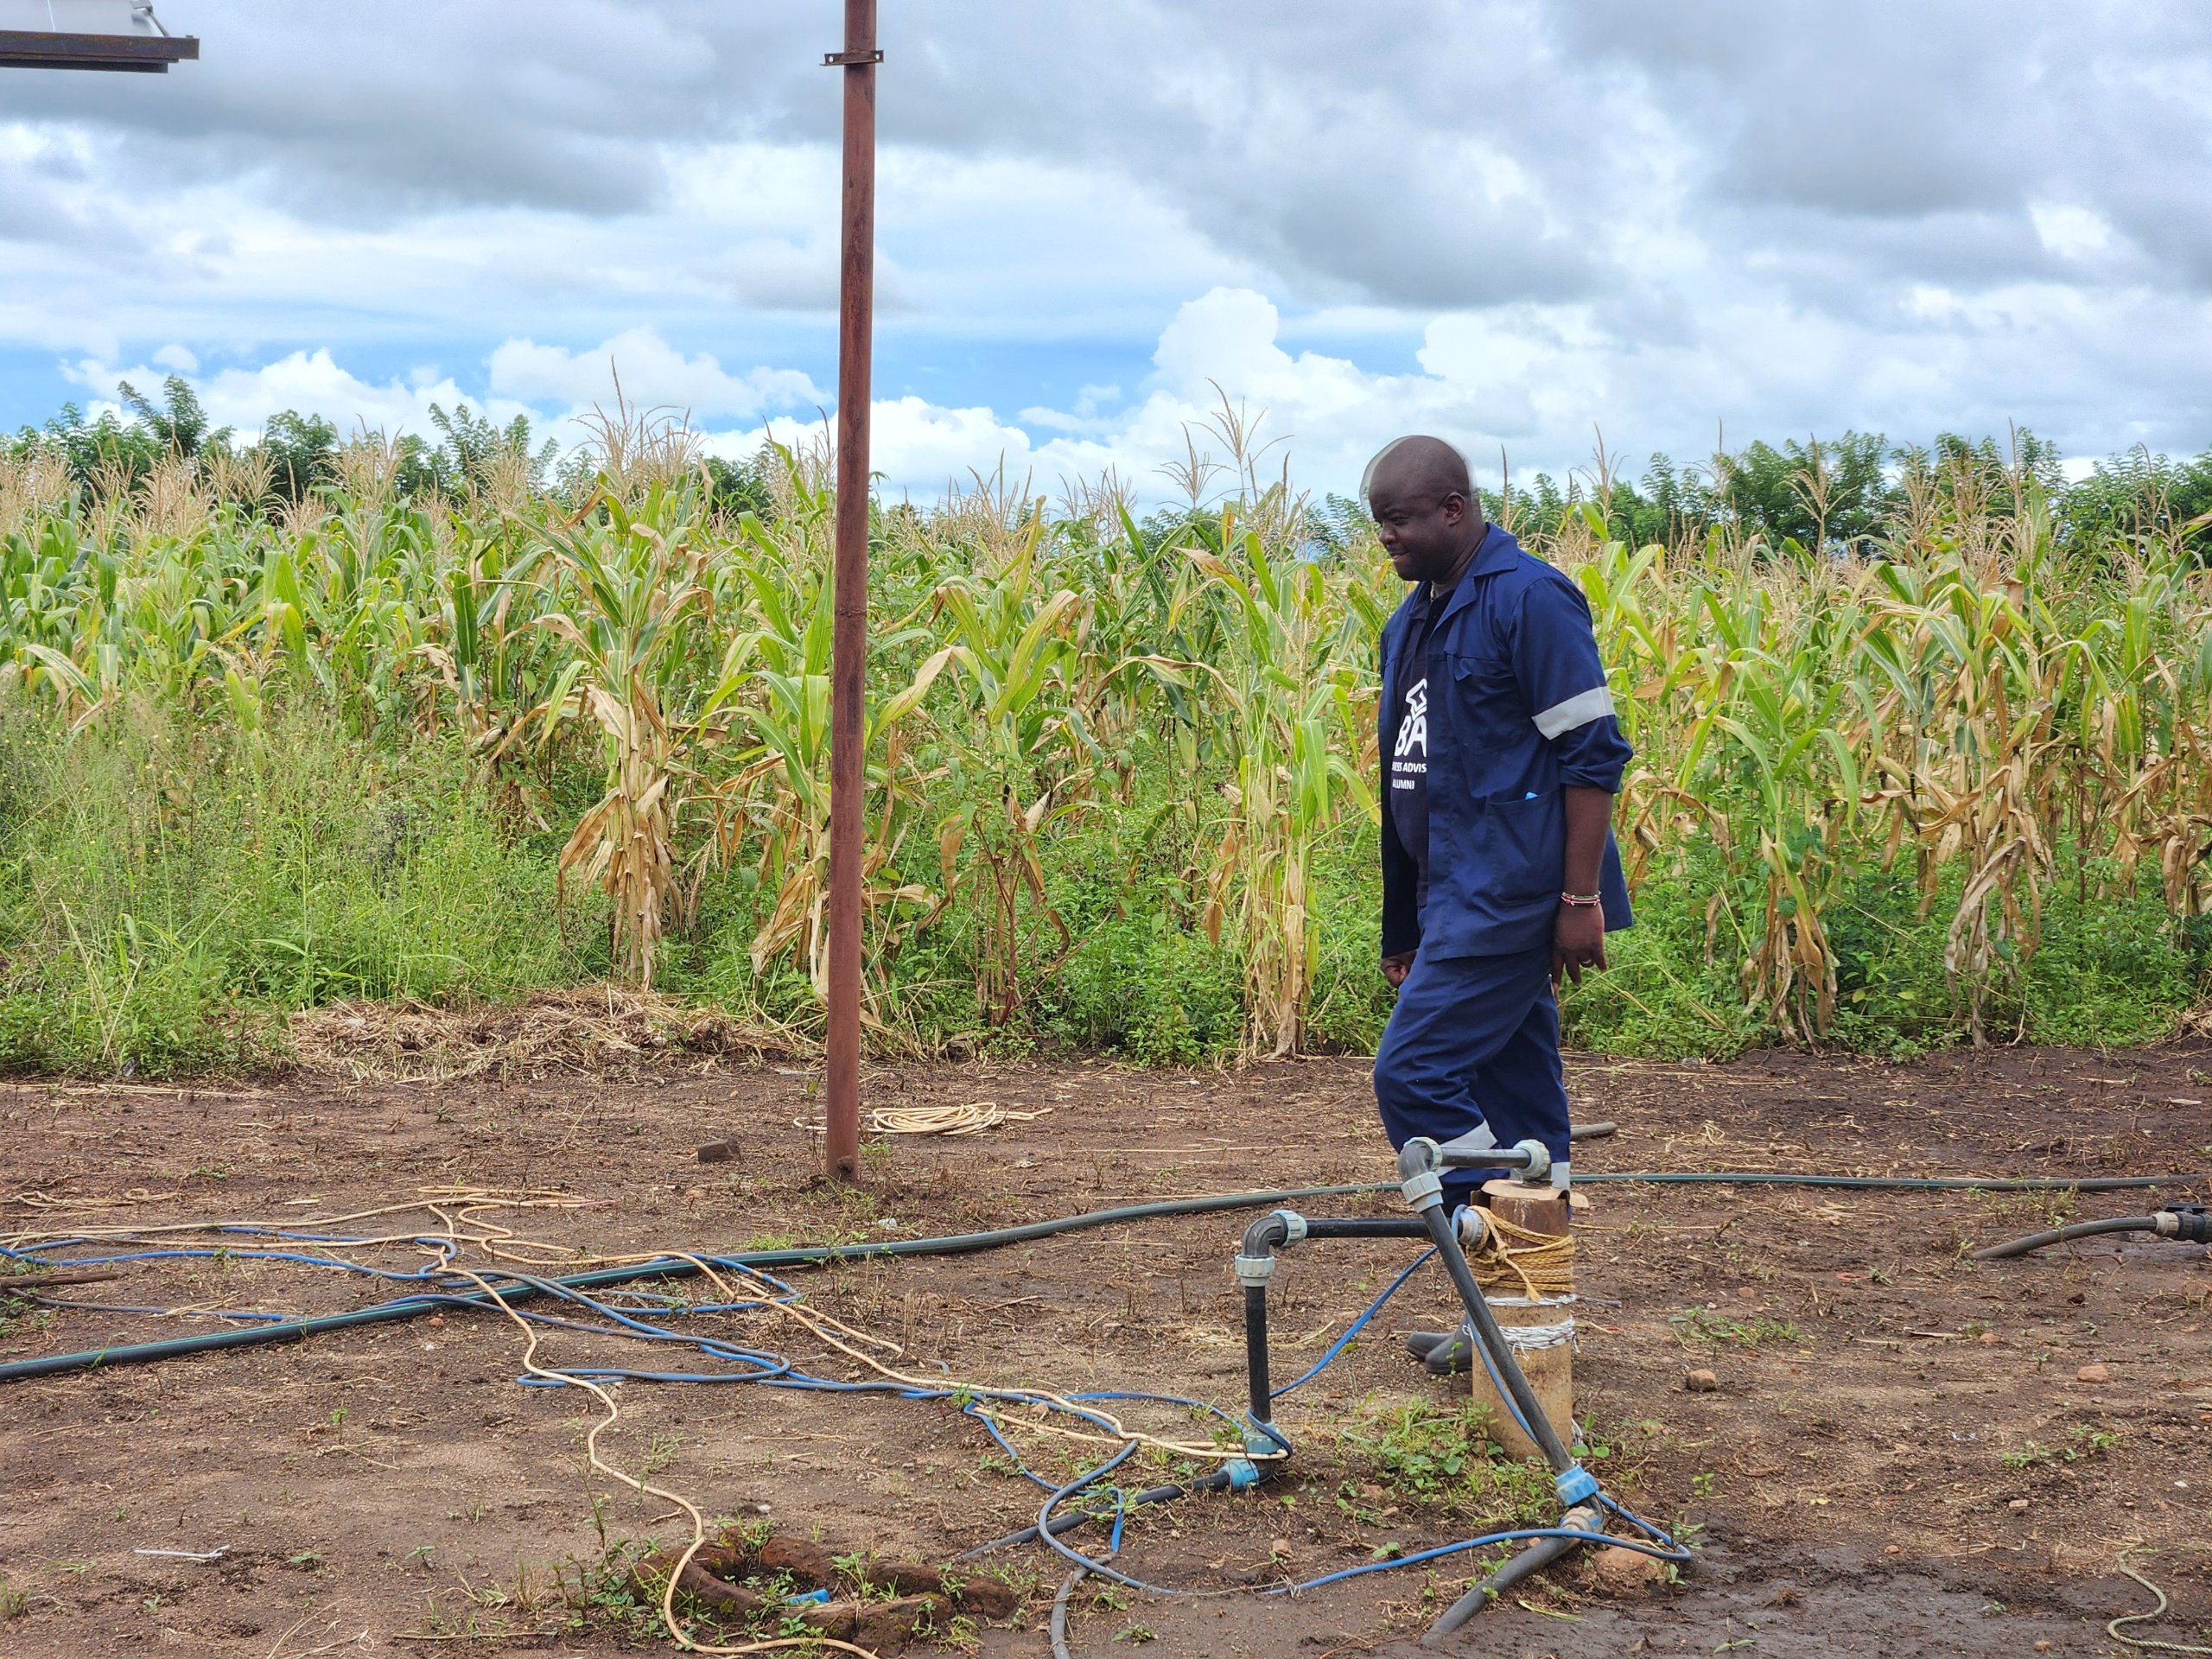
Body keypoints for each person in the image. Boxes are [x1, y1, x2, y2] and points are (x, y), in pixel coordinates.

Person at [1363, 435, 1633, 1376]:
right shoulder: (1414, 621)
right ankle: (1516, 1329)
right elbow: (1414, 778)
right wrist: (1408, 924)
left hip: (1510, 896)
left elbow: (1591, 753)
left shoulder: (1529, 598)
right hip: (1452, 900)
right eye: (1376, 523)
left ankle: (1496, 1266)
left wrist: (1577, 897)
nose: (1385, 538)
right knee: (1521, 1107)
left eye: (1397, 520)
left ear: (1451, 507)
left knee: (1410, 1077)